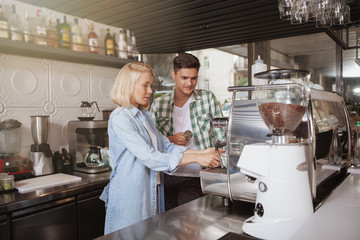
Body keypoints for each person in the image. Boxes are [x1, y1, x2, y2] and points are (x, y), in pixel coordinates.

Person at [99, 62, 221, 234]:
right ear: (129, 85)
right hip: (131, 198)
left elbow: (166, 146)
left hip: (151, 192)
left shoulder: (143, 116)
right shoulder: (120, 118)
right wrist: (196, 158)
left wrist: (203, 152)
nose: (150, 91)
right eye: (145, 85)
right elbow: (150, 157)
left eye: (150, 85)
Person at [150, 53, 225, 211]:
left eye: (193, 78)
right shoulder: (158, 104)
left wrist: (222, 164)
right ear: (173, 75)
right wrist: (170, 139)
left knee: (189, 228)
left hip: (196, 177)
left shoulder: (207, 98)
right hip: (167, 176)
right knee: (166, 227)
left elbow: (221, 137)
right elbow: (151, 143)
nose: (189, 83)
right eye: (184, 78)